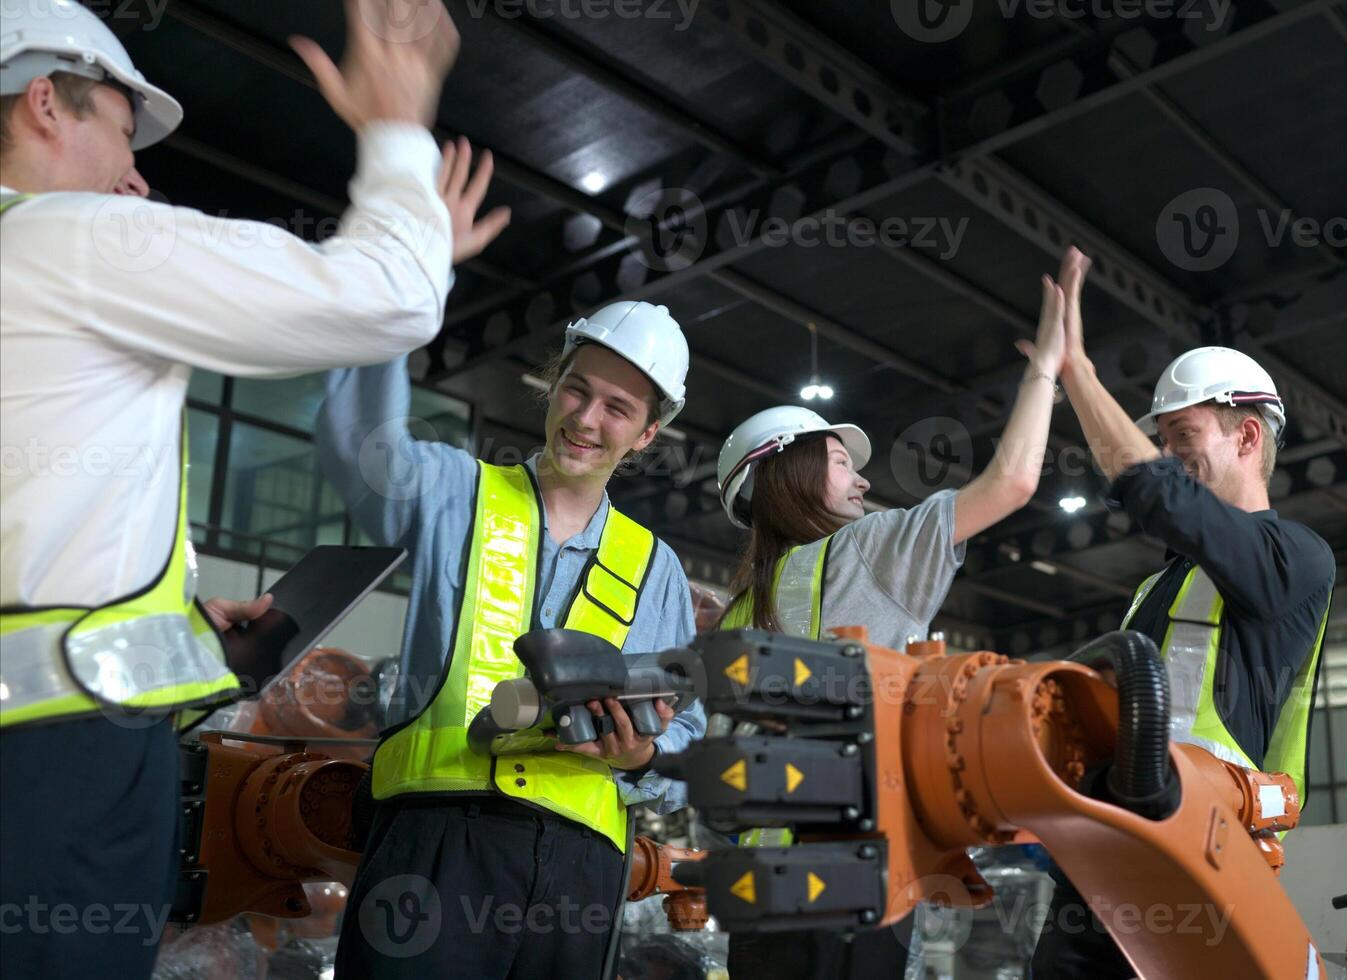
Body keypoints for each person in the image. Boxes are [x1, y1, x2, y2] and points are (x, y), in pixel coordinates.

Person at [0, 1, 461, 976]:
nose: (136, 176)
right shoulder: (68, 238)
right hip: (53, 769)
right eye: (121, 132)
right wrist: (395, 134)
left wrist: (180, 623)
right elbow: (388, 294)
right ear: (47, 103)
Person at [317, 293, 707, 979]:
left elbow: (686, 733)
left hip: (580, 876)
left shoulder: (657, 570)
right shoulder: (452, 491)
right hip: (438, 840)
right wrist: (398, 291)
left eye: (616, 408)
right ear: (551, 388)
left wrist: (643, 755)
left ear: (648, 434)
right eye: (575, 391)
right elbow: (358, 452)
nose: (585, 420)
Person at [716, 264, 1071, 979]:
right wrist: (1049, 375)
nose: (863, 480)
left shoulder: (738, 610)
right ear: (787, 473)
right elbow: (1013, 482)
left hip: (756, 878)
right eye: (842, 461)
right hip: (854, 872)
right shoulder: (866, 548)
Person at [1029, 248, 1336, 975]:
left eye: (1182, 437)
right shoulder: (1160, 587)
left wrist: (1077, 373)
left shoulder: (1296, 560)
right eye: (1163, 440)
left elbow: (1163, 497)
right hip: (1111, 842)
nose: (1168, 454)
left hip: (1200, 849)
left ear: (1248, 435)